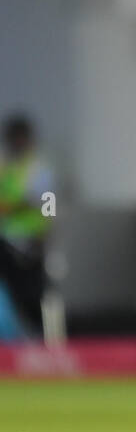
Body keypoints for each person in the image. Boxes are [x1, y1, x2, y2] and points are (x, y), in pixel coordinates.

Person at [0, 115, 54, 340]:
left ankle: (40, 343)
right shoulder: (6, 167)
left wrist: (44, 234)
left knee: (32, 298)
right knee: (9, 297)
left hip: (29, 245)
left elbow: (46, 204)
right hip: (6, 243)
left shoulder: (37, 169)